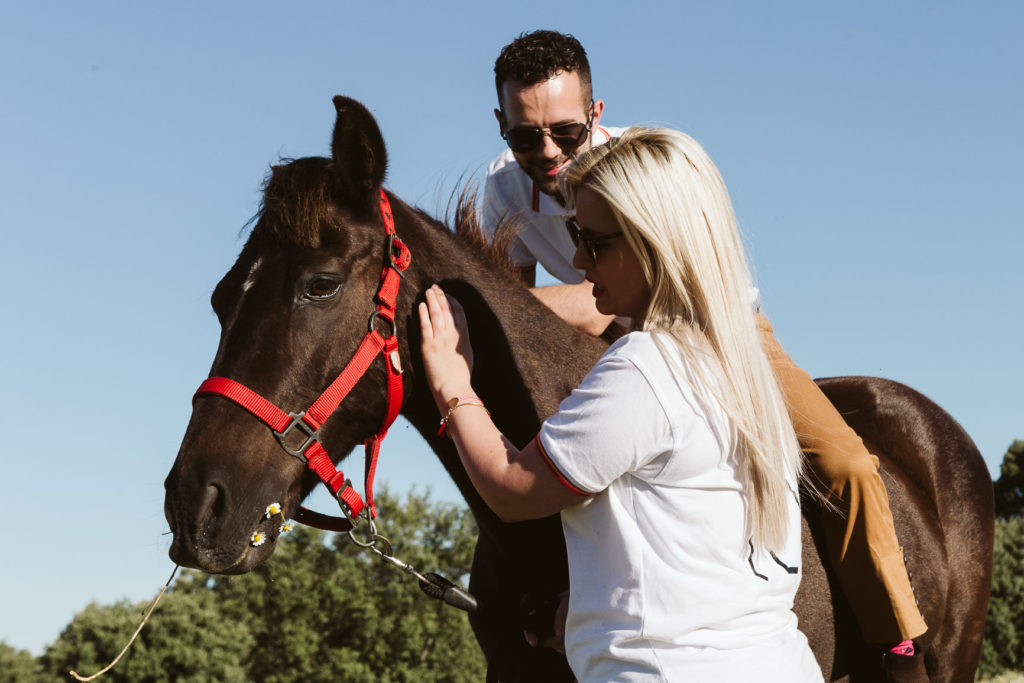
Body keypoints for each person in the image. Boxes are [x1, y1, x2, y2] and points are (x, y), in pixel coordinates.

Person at [480, 30, 928, 681]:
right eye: (525, 138)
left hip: (721, 330)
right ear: (502, 126)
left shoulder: (643, 168)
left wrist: (485, 310)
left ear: (597, 114)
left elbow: (549, 305)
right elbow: (521, 326)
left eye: (567, 133)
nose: (547, 153)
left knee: (845, 461)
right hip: (613, 333)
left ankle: (899, 646)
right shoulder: (502, 192)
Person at [422, 128, 823, 681]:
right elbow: (698, 551)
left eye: (597, 242)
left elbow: (513, 489)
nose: (579, 261)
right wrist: (592, 617)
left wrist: (452, 383)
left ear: (655, 241)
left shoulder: (646, 367)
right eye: (574, 235)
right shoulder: (742, 370)